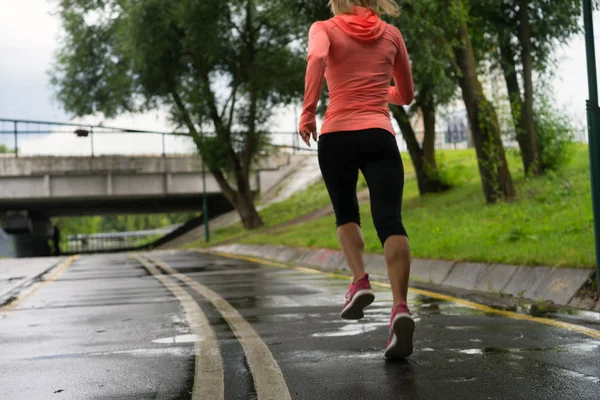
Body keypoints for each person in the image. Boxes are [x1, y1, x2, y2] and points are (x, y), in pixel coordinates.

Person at [299, 0, 415, 359]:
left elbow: (317, 58)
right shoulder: (392, 34)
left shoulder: (325, 28)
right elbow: (407, 95)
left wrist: (308, 112)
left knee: (345, 213)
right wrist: (382, 93)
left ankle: (360, 280)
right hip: (379, 134)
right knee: (390, 221)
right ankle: (399, 308)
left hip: (336, 135)